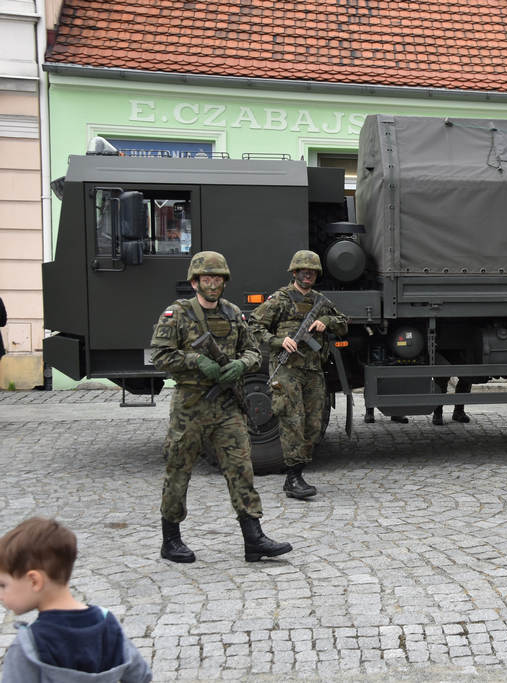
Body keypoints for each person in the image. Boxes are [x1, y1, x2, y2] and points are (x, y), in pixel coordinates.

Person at [151, 251, 292, 563]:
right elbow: (160, 355)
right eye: (206, 279)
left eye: (217, 279)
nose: (212, 284)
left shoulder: (233, 314)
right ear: (194, 281)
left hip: (227, 407)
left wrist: (241, 365)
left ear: (224, 282)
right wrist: (195, 360)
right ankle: (170, 539)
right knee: (178, 469)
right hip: (191, 406)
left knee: (241, 468)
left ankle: (253, 539)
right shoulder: (177, 315)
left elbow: (254, 351)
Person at [0, 517, 152, 682]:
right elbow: (141, 676)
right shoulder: (106, 622)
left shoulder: (28, 647)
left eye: (2, 585)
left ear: (34, 581)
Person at [249, 250, 349, 500]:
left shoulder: (321, 301)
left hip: (313, 370)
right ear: (294, 273)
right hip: (287, 371)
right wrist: (276, 340)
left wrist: (326, 321)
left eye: (312, 272)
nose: (308, 275)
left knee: (313, 423)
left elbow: (344, 323)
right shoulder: (280, 300)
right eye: (304, 271)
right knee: (292, 420)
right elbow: (253, 325)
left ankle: (299, 470)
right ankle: (293, 477)